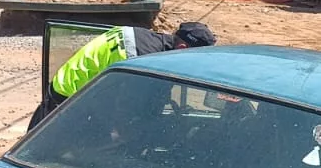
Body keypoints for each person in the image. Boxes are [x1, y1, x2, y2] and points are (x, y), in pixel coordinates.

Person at [28, 22, 217, 130]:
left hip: (67, 89)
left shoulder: (150, 41)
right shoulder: (143, 60)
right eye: (194, 57)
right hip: (68, 102)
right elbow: (127, 113)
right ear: (182, 48)